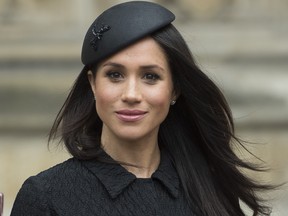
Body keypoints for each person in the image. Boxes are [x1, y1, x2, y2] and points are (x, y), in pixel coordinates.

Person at [11, 1, 272, 215]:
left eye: (150, 76)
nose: (131, 94)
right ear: (92, 83)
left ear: (175, 89)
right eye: (115, 75)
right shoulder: (46, 196)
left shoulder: (211, 190)